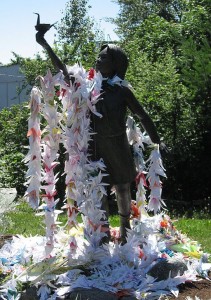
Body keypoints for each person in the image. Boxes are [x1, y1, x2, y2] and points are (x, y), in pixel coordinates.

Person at [35, 16, 162, 244]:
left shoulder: (123, 91)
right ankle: (101, 233)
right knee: (98, 188)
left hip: (118, 145)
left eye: (104, 58)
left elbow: (142, 115)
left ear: (115, 64)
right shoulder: (86, 88)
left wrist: (157, 141)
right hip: (95, 146)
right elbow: (64, 71)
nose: (98, 60)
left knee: (123, 187)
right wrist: (45, 44)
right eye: (99, 57)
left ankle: (125, 228)